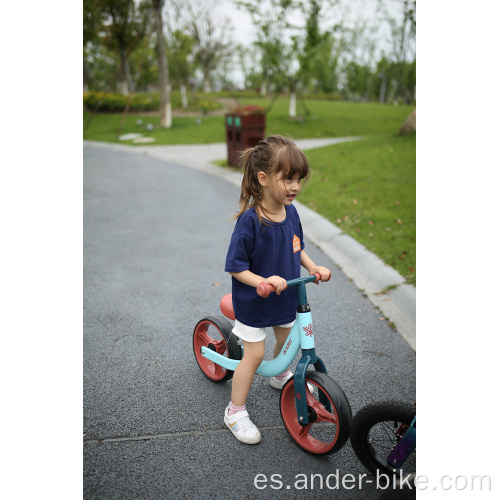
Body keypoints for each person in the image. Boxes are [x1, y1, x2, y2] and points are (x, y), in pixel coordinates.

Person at [224, 135, 331, 444]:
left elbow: (297, 247)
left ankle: (282, 375)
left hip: (284, 297)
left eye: (299, 179)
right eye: (288, 178)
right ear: (263, 178)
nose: (295, 186)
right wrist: (263, 282)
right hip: (254, 302)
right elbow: (235, 266)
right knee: (254, 355)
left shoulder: (291, 212)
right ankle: (235, 411)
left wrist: (312, 267)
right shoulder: (251, 221)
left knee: (287, 343)